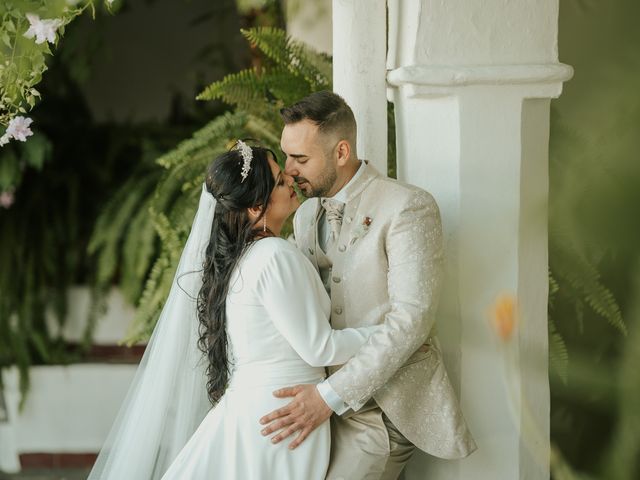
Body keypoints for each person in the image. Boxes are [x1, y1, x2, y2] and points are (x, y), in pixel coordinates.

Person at [88, 142, 379, 480]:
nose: (291, 181)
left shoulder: (246, 258)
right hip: (283, 419)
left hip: (260, 411)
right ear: (257, 207)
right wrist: (386, 334)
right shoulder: (273, 255)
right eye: (280, 181)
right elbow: (320, 347)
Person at [258, 91, 477, 479]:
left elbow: (412, 320)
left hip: (382, 410)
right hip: (316, 405)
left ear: (341, 152)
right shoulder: (306, 215)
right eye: (287, 156)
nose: (288, 170)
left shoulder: (408, 207)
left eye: (301, 159)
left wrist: (328, 397)